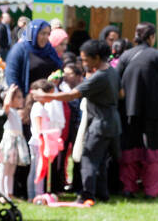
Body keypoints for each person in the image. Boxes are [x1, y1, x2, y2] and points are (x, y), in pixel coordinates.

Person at [33, 39, 121, 205]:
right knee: (101, 160)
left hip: (100, 123)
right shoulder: (112, 72)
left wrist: (47, 96)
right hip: (112, 121)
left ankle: (87, 195)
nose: (83, 63)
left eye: (86, 59)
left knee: (87, 158)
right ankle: (102, 194)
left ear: (96, 58)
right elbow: (121, 92)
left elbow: (72, 95)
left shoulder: (99, 77)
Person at [118, 22, 158, 199]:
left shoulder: (125, 56)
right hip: (155, 110)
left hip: (129, 109)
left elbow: (117, 81)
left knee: (130, 149)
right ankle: (151, 191)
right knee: (155, 151)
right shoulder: (157, 55)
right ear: (151, 37)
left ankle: (129, 188)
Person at [0, 84, 26, 199]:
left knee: (11, 170)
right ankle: (0, 193)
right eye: (18, 97)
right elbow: (6, 105)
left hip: (16, 141)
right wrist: (9, 93)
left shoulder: (16, 112)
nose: (21, 100)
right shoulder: (8, 111)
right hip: (8, 142)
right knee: (4, 168)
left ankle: (9, 193)